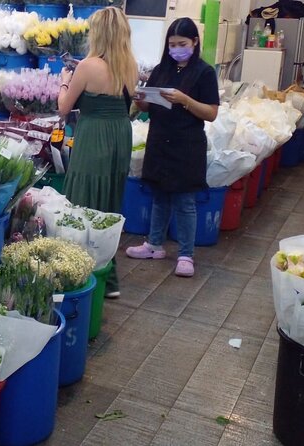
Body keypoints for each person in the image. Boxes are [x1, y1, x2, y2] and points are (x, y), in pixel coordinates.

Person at [125, 17, 219, 277]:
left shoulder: (204, 72)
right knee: (159, 195)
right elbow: (148, 105)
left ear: (195, 42)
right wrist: (141, 98)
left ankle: (186, 254)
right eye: (172, 44)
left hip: (186, 145)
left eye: (182, 43)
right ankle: (154, 244)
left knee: (185, 200)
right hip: (159, 140)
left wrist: (185, 99)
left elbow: (211, 113)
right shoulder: (161, 69)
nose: (176, 48)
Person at [58, 6, 138, 298]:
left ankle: (80, 273)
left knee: (83, 199)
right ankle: (108, 276)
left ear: (99, 34)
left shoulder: (87, 66)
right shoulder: (130, 65)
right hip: (119, 135)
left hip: (93, 134)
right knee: (109, 201)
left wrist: (64, 82)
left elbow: (64, 108)